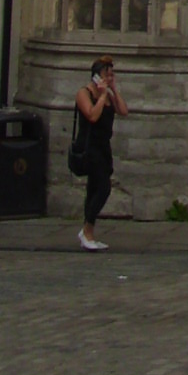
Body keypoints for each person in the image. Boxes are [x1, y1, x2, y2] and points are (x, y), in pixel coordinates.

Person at [74, 56, 127, 251]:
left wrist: (113, 90)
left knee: (94, 188)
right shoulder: (84, 93)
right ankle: (87, 230)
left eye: (112, 75)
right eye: (107, 75)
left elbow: (123, 111)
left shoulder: (109, 96)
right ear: (96, 76)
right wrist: (102, 95)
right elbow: (92, 115)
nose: (109, 78)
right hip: (89, 146)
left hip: (103, 146)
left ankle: (88, 232)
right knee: (104, 187)